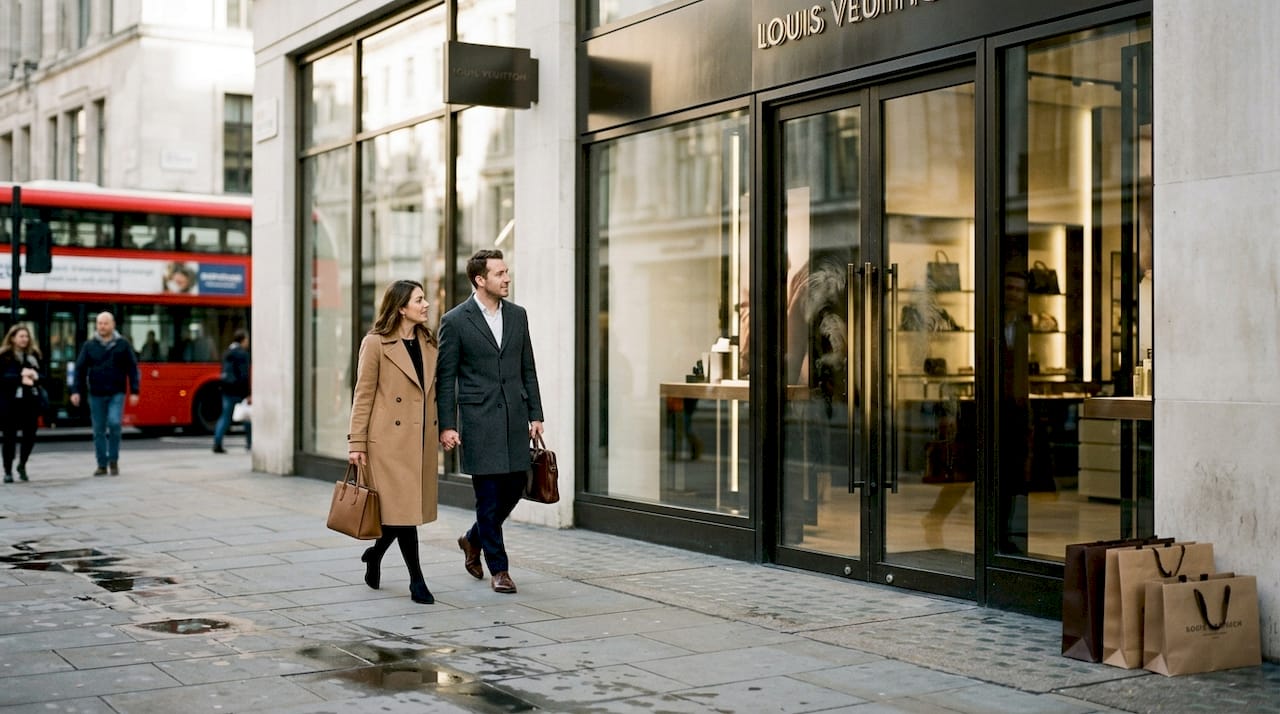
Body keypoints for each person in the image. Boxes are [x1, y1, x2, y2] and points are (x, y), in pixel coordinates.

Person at [438, 249, 545, 594]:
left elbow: (527, 366)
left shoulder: (518, 316)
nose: (507, 278)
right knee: (487, 496)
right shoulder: (455, 320)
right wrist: (447, 424)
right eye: (500, 273)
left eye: (507, 272)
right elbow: (446, 377)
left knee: (515, 487)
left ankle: (472, 539)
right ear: (479, 280)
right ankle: (499, 570)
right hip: (478, 419)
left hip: (515, 417)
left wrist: (536, 414)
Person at [347, 280, 440, 605]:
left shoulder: (428, 342)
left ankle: (374, 556)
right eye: (419, 299)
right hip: (386, 442)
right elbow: (363, 394)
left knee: (398, 513)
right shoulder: (376, 343)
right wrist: (356, 442)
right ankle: (417, 581)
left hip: (419, 441)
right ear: (401, 307)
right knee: (404, 514)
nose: (426, 304)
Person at [71, 312, 141, 476]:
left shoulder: (123, 344)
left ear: (113, 325)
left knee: (115, 423)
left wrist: (135, 390)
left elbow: (132, 368)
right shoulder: (89, 346)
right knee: (98, 430)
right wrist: (76, 391)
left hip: (117, 392)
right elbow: (80, 370)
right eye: (99, 323)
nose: (102, 326)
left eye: (105, 323)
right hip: (96, 394)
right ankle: (102, 464)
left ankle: (113, 460)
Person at [0, 325, 44, 483]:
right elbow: (2, 378)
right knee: (9, 438)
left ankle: (22, 464)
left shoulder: (34, 355)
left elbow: (44, 377)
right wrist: (20, 377)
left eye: (26, 336)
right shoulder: (4, 356)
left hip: (30, 402)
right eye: (21, 336)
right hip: (10, 403)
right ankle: (7, 470)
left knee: (30, 436)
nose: (24, 339)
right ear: (12, 338)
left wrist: (36, 376)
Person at [213, 329, 251, 453]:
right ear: (243, 340)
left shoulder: (227, 352)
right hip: (239, 391)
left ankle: (217, 443)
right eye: (247, 340)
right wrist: (248, 393)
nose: (248, 342)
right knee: (247, 417)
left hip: (226, 389)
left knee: (225, 417)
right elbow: (244, 375)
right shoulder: (242, 354)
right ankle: (250, 443)